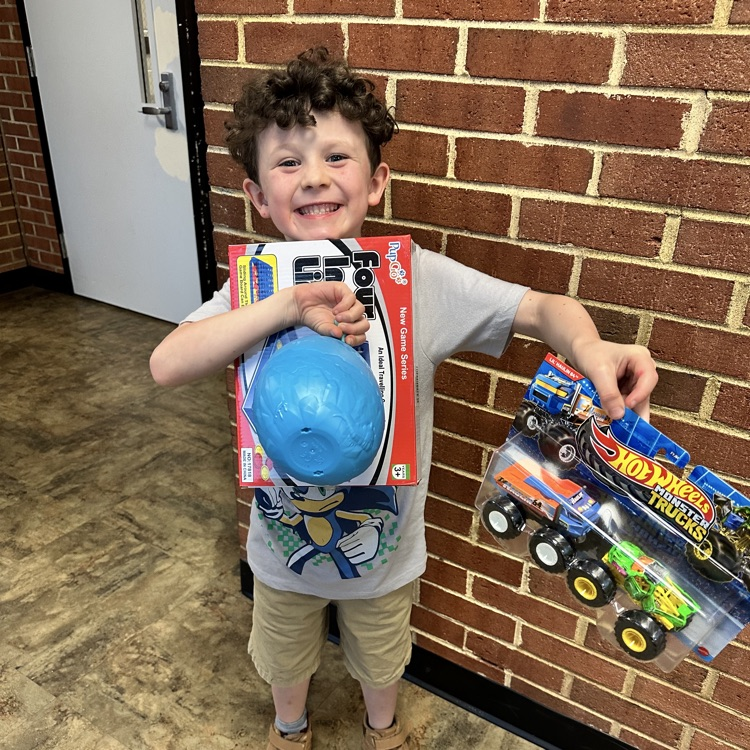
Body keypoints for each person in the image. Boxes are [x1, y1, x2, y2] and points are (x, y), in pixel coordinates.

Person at [150, 48, 658, 750]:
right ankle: (288, 730)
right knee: (284, 655)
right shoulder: (255, 289)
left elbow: (542, 308)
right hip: (282, 545)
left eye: (336, 156)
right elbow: (166, 362)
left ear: (377, 180)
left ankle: (383, 732)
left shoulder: (417, 281)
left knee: (383, 656)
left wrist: (590, 348)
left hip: (385, 552)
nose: (315, 177)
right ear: (259, 196)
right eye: (288, 162)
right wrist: (288, 306)